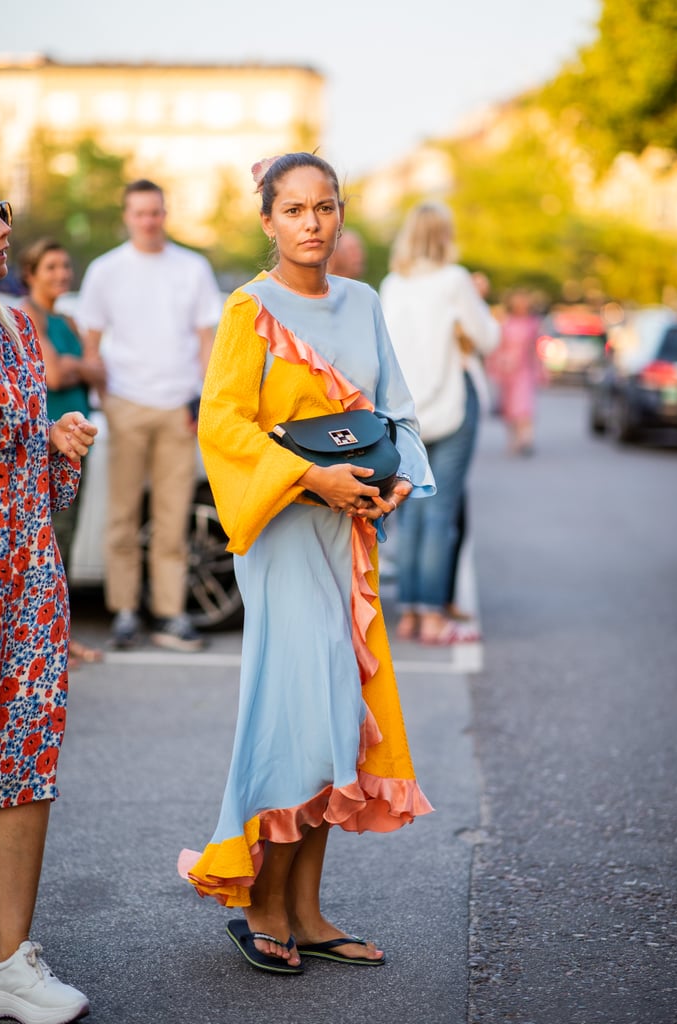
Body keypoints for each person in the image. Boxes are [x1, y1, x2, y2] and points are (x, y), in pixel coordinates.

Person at [177, 152, 435, 974]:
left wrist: (393, 481)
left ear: (341, 213)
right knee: (299, 707)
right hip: (285, 530)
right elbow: (222, 424)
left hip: (347, 534)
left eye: (324, 207)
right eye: (294, 210)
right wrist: (307, 475)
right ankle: (260, 904)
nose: (312, 223)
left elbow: (395, 408)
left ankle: (309, 911)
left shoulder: (363, 303)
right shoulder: (248, 310)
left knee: (335, 714)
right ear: (268, 222)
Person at [0, 164, 97, 1024]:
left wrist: (58, 447)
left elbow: (18, 466)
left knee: (22, 768)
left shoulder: (17, 328)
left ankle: (8, 964)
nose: (2, 231)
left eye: (0, 216)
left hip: (24, 585)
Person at [77, 179, 223, 652]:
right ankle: (123, 612)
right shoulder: (106, 270)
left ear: (165, 213)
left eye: (156, 212)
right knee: (120, 515)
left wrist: (202, 398)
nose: (149, 220)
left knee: (172, 516)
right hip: (126, 404)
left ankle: (171, 613)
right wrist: (106, 401)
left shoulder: (192, 267)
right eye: (140, 213)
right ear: (127, 216)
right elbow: (91, 343)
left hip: (179, 405)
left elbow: (206, 339)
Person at [380, 202, 500, 645]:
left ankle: (410, 613)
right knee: (441, 513)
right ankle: (433, 616)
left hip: (405, 412)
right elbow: (489, 336)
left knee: (409, 511)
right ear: (445, 235)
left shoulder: (393, 285)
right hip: (453, 403)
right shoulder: (455, 281)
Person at [20, 238, 106, 667]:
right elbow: (54, 375)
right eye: (50, 267)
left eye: (65, 266)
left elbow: (100, 370)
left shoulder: (68, 320)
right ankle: (44, 642)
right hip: (47, 443)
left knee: (66, 545)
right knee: (48, 544)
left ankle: (59, 637)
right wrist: (79, 367)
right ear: (31, 273)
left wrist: (80, 367)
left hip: (79, 444)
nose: (61, 274)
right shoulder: (26, 316)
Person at [487, 287, 541, 455]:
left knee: (524, 405)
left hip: (525, 369)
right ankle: (514, 439)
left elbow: (536, 348)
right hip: (506, 369)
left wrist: (541, 370)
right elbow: (497, 346)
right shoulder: (505, 322)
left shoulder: (533, 323)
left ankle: (526, 439)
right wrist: (495, 367)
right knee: (509, 408)